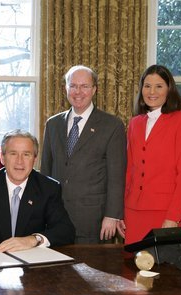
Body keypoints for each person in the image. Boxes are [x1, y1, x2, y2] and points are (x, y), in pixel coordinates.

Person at [41, 65, 126, 244]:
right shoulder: (52, 124)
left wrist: (112, 215)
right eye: (73, 86)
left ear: (94, 89)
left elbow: (116, 176)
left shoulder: (112, 126)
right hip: (56, 219)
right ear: (66, 88)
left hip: (93, 222)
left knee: (94, 272)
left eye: (84, 86)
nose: (78, 91)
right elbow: (46, 172)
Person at [117, 65, 181, 245]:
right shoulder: (135, 123)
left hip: (164, 212)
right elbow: (129, 171)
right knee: (132, 269)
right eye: (147, 86)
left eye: (159, 86)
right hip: (133, 210)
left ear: (169, 89)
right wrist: (121, 212)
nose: (152, 92)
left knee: (162, 269)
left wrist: (173, 216)